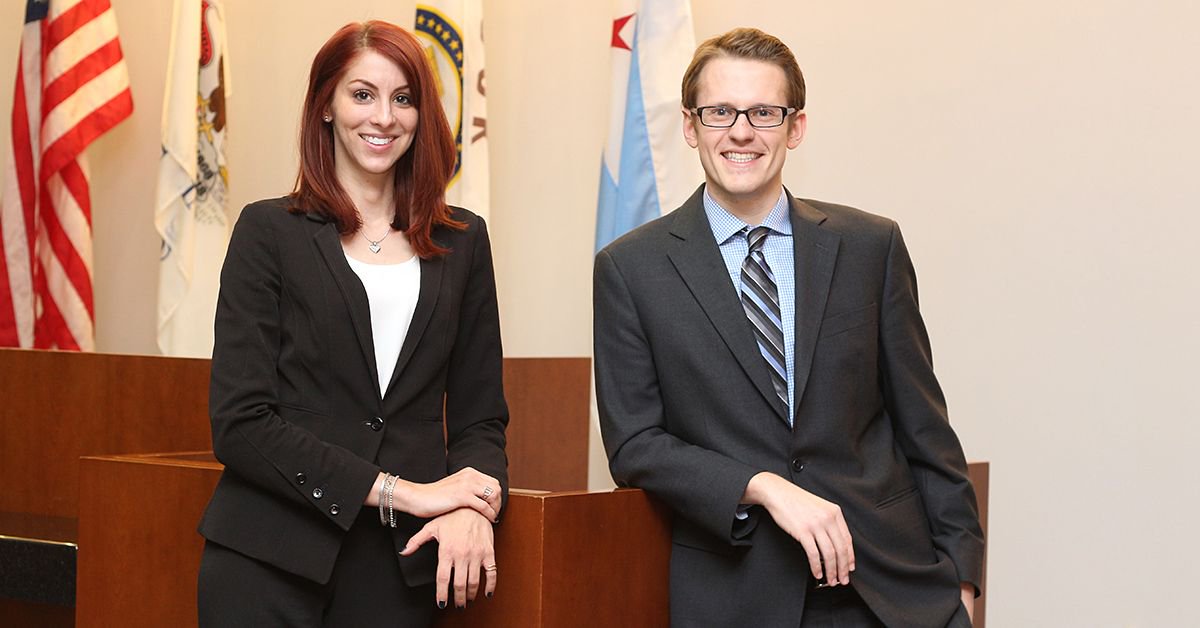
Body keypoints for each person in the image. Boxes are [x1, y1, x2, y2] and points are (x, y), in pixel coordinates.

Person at [594, 27, 983, 628]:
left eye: (763, 113)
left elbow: (925, 426)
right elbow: (635, 446)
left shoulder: (870, 247)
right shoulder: (630, 269)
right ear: (691, 127)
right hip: (738, 591)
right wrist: (761, 485)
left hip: (888, 588)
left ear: (795, 127)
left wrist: (961, 581)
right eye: (720, 111)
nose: (741, 131)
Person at [197, 20, 508, 626]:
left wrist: (475, 504)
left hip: (402, 567)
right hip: (267, 559)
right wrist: (401, 491)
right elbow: (240, 423)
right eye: (362, 94)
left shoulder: (463, 239)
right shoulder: (268, 232)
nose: (384, 118)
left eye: (403, 98)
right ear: (326, 106)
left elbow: (481, 418)